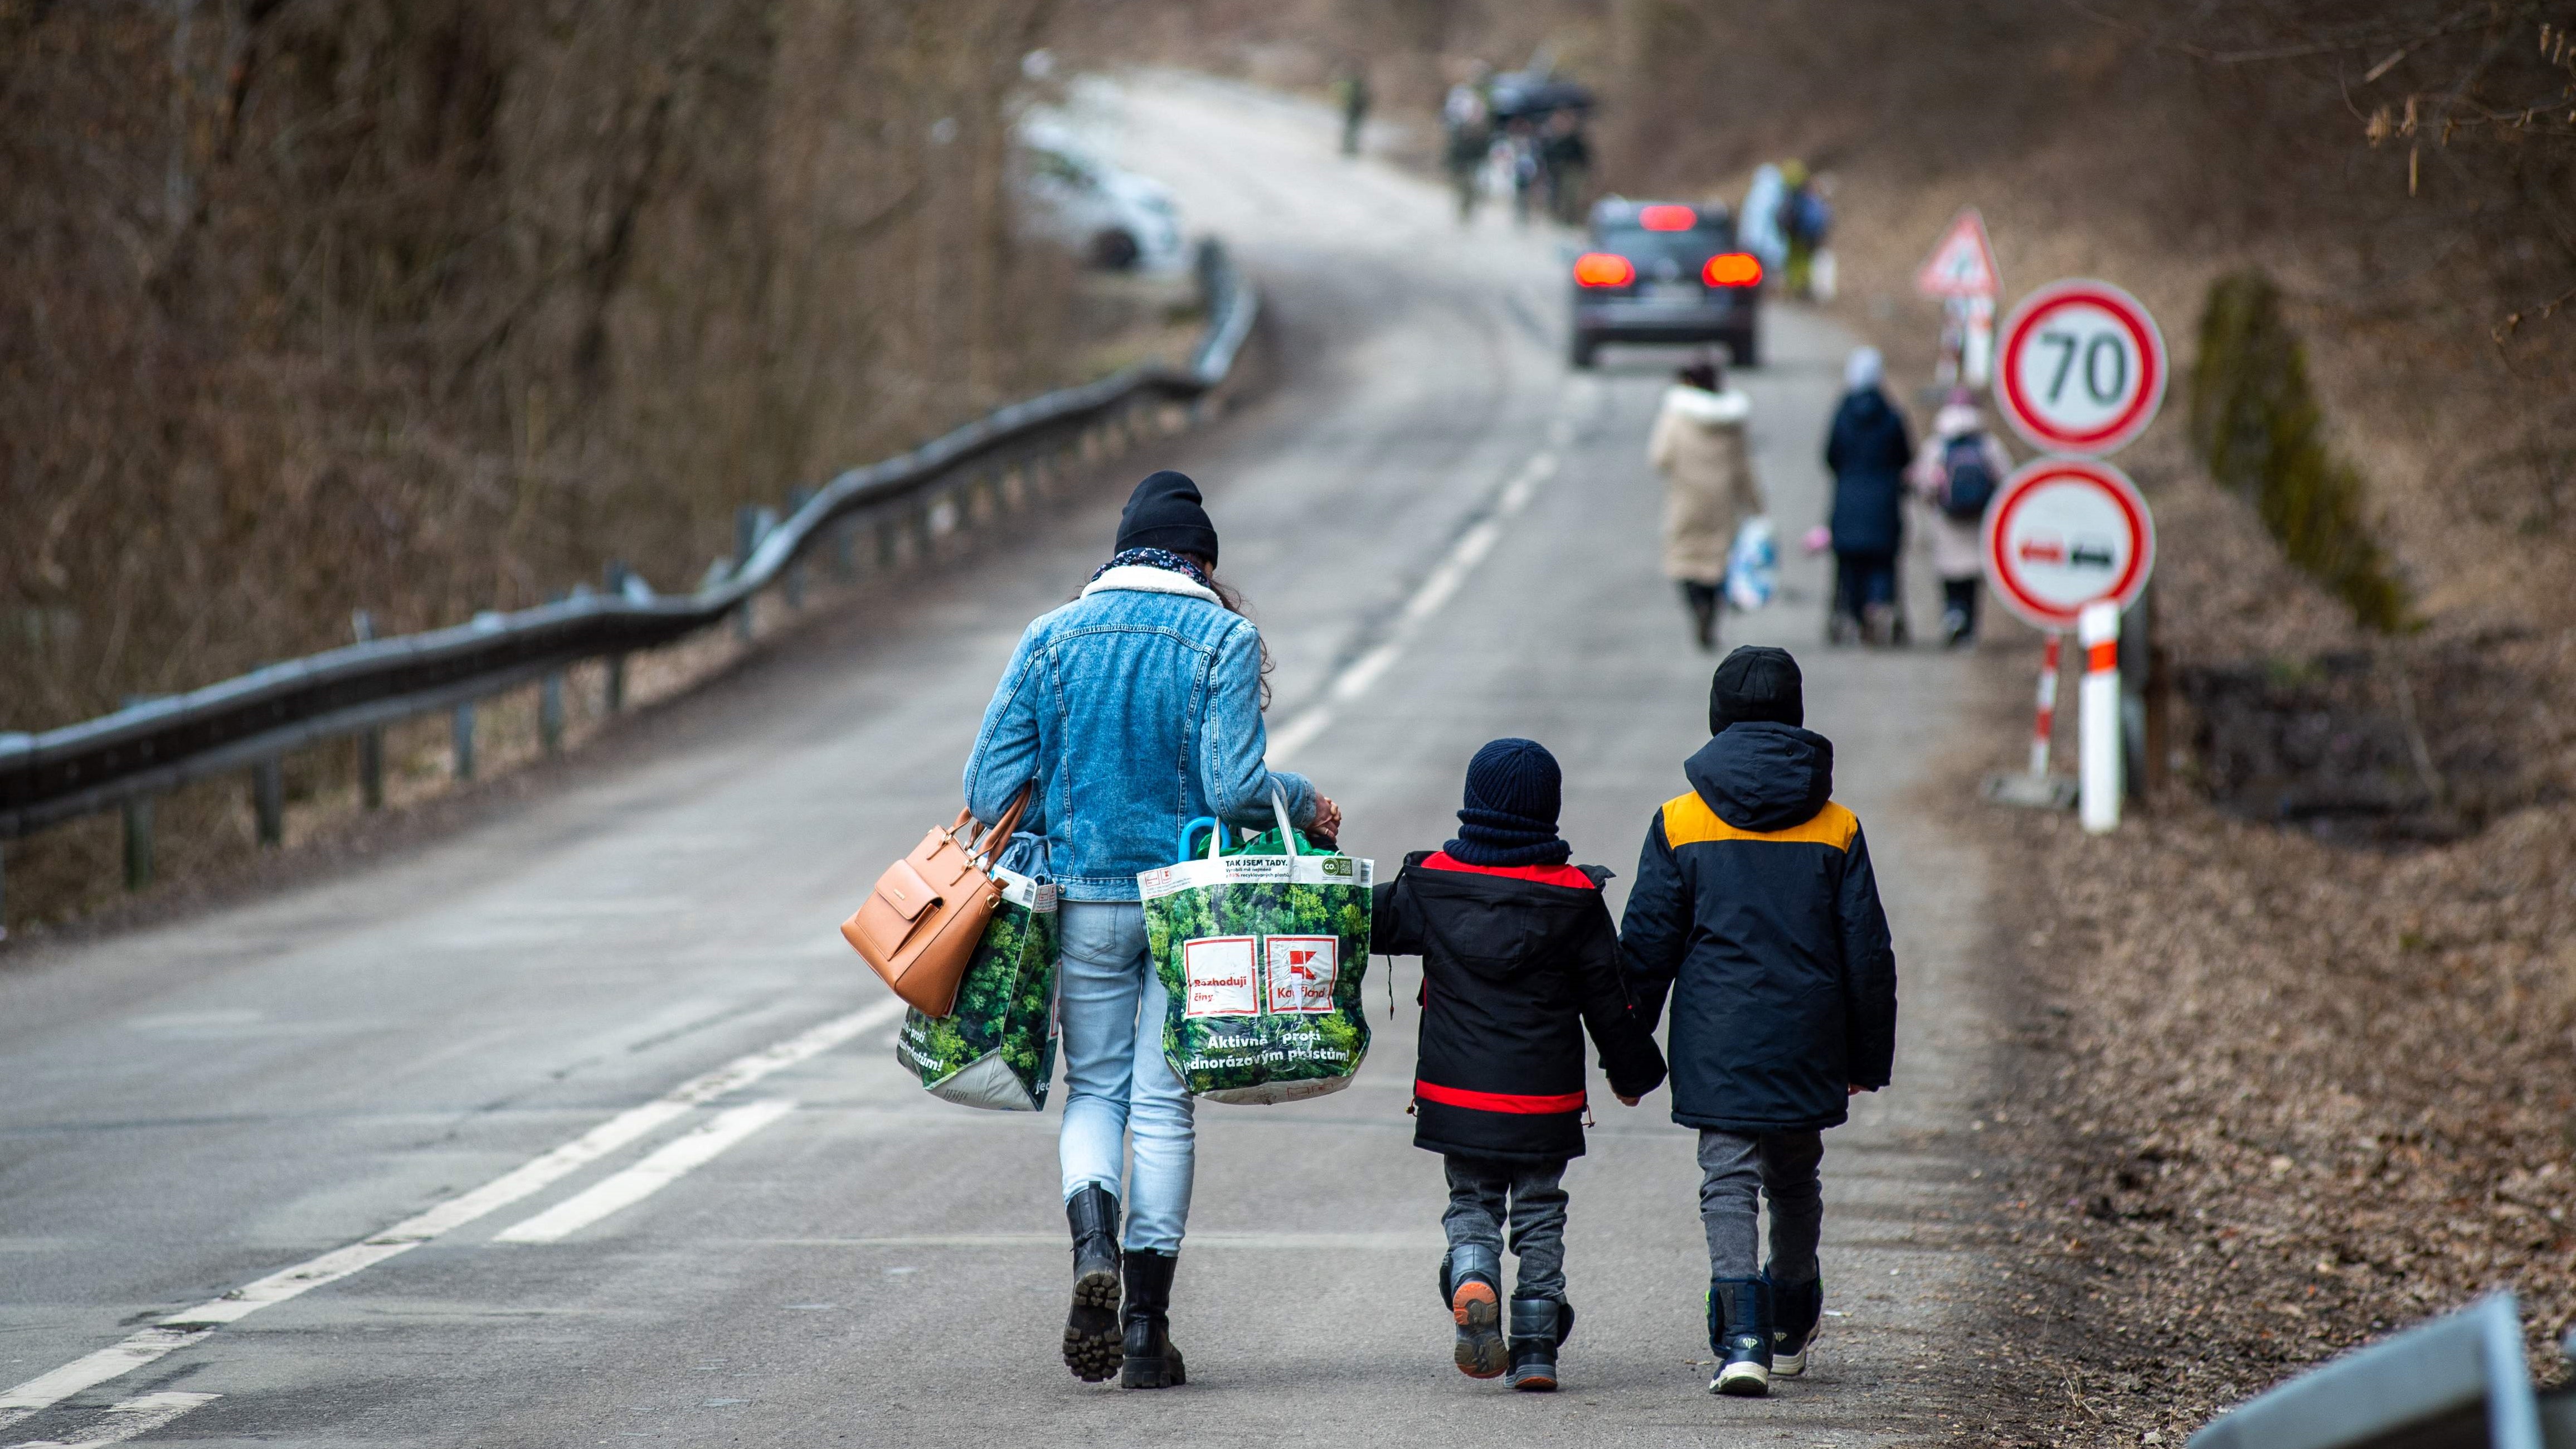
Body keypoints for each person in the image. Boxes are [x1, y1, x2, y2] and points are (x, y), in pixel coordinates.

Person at [963, 470, 1343, 1390]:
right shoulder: (1222, 635)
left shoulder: (1048, 637)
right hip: (1193, 910)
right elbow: (1239, 794)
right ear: (1202, 562)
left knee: (1093, 1091)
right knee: (1166, 1102)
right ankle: (1145, 1331)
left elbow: (985, 791)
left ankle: (1090, 1242)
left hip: (1085, 898)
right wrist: (1303, 800)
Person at [1616, 647, 1897, 1398]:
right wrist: (1865, 1057)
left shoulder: (1679, 819)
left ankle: (1738, 1331)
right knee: (1795, 1174)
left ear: (1717, 716)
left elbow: (1645, 947)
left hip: (1717, 1033)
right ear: (1796, 715)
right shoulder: (1836, 824)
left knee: (1728, 1177)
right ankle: (1790, 1314)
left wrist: (1626, 1051)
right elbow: (1866, 951)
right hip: (1809, 1032)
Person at [1372, 739, 1667, 1392]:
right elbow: (1608, 1000)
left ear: (1472, 803)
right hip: (1544, 1101)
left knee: (1471, 1199)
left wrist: (1292, 877)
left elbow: (1355, 920)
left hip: (1456, 1095)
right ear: (1549, 811)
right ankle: (1535, 1345)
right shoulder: (1574, 898)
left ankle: (1474, 1271)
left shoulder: (1429, 883)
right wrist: (1633, 1073)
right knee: (1539, 1210)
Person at [1649, 356, 1766, 652]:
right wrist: (1756, 507)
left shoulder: (1676, 417)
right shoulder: (1731, 422)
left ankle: (1696, 608)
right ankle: (1712, 615)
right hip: (1722, 505)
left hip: (1687, 503)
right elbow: (1743, 468)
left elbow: (1659, 457)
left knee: (1686, 561)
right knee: (1719, 563)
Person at [1822, 347, 1912, 646]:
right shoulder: (1892, 414)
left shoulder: (1842, 414)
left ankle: (1854, 613)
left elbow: (1830, 456)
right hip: (1884, 503)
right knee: (1882, 563)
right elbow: (1906, 456)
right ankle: (1879, 607)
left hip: (1847, 502)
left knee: (1849, 566)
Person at [1909, 388, 2011, 646]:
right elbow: (2006, 479)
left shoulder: (1938, 445)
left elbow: (1924, 483)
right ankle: (1969, 630)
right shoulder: (1988, 444)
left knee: (1950, 575)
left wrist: (1932, 500)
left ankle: (1953, 614)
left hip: (1947, 522)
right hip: (1979, 521)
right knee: (1973, 578)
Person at [1443, 79, 1491, 225]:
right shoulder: (1461, 128)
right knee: (1464, 186)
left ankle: (1467, 212)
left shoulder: (1482, 128)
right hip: (1463, 162)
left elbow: (1484, 147)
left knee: (1471, 187)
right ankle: (1463, 212)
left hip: (1474, 161)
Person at [1540, 110, 1591, 225]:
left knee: (1572, 195)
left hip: (1573, 170)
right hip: (1557, 172)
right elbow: (1548, 155)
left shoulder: (1574, 138)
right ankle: (1561, 217)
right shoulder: (1552, 137)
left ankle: (1571, 218)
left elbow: (1583, 155)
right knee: (1558, 194)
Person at [1334, 65, 1370, 157]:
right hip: (1355, 111)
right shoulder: (1359, 87)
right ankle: (1349, 148)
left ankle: (1349, 148)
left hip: (1355, 111)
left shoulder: (1355, 87)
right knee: (1352, 130)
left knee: (1351, 130)